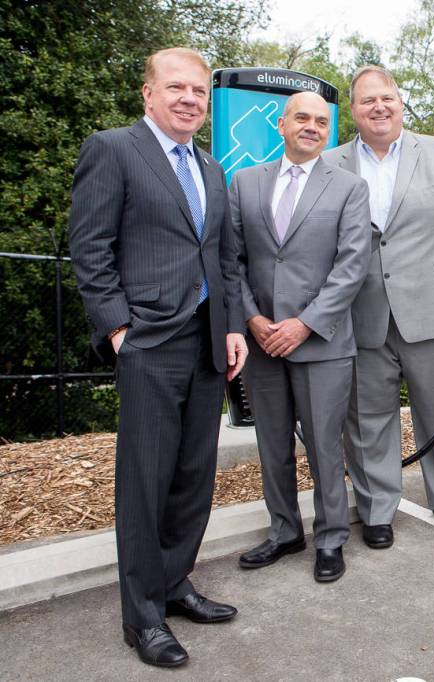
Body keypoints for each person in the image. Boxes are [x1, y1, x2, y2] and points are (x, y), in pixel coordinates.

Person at [68, 47, 247, 668]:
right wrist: (119, 329)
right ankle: (141, 616)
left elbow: (222, 256)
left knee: (193, 475)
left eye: (198, 91)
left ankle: (174, 585)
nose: (189, 99)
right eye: (176, 88)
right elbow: (90, 249)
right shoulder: (113, 149)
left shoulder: (211, 167)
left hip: (206, 344)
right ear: (148, 93)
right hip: (148, 340)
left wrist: (230, 328)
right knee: (145, 483)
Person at [322, 65, 434, 549]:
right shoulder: (331, 163)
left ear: (400, 101)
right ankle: (377, 510)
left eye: (387, 97)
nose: (379, 107)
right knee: (368, 418)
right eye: (367, 100)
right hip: (360, 314)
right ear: (352, 111)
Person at [230, 92, 370, 582]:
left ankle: (331, 538)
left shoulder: (350, 188)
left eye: (321, 121)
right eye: (302, 118)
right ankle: (284, 532)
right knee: (272, 444)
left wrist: (304, 323)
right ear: (282, 124)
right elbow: (233, 260)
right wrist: (251, 319)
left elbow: (352, 266)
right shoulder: (245, 182)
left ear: (328, 130)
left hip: (322, 343)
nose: (312, 126)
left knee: (325, 447)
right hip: (262, 342)